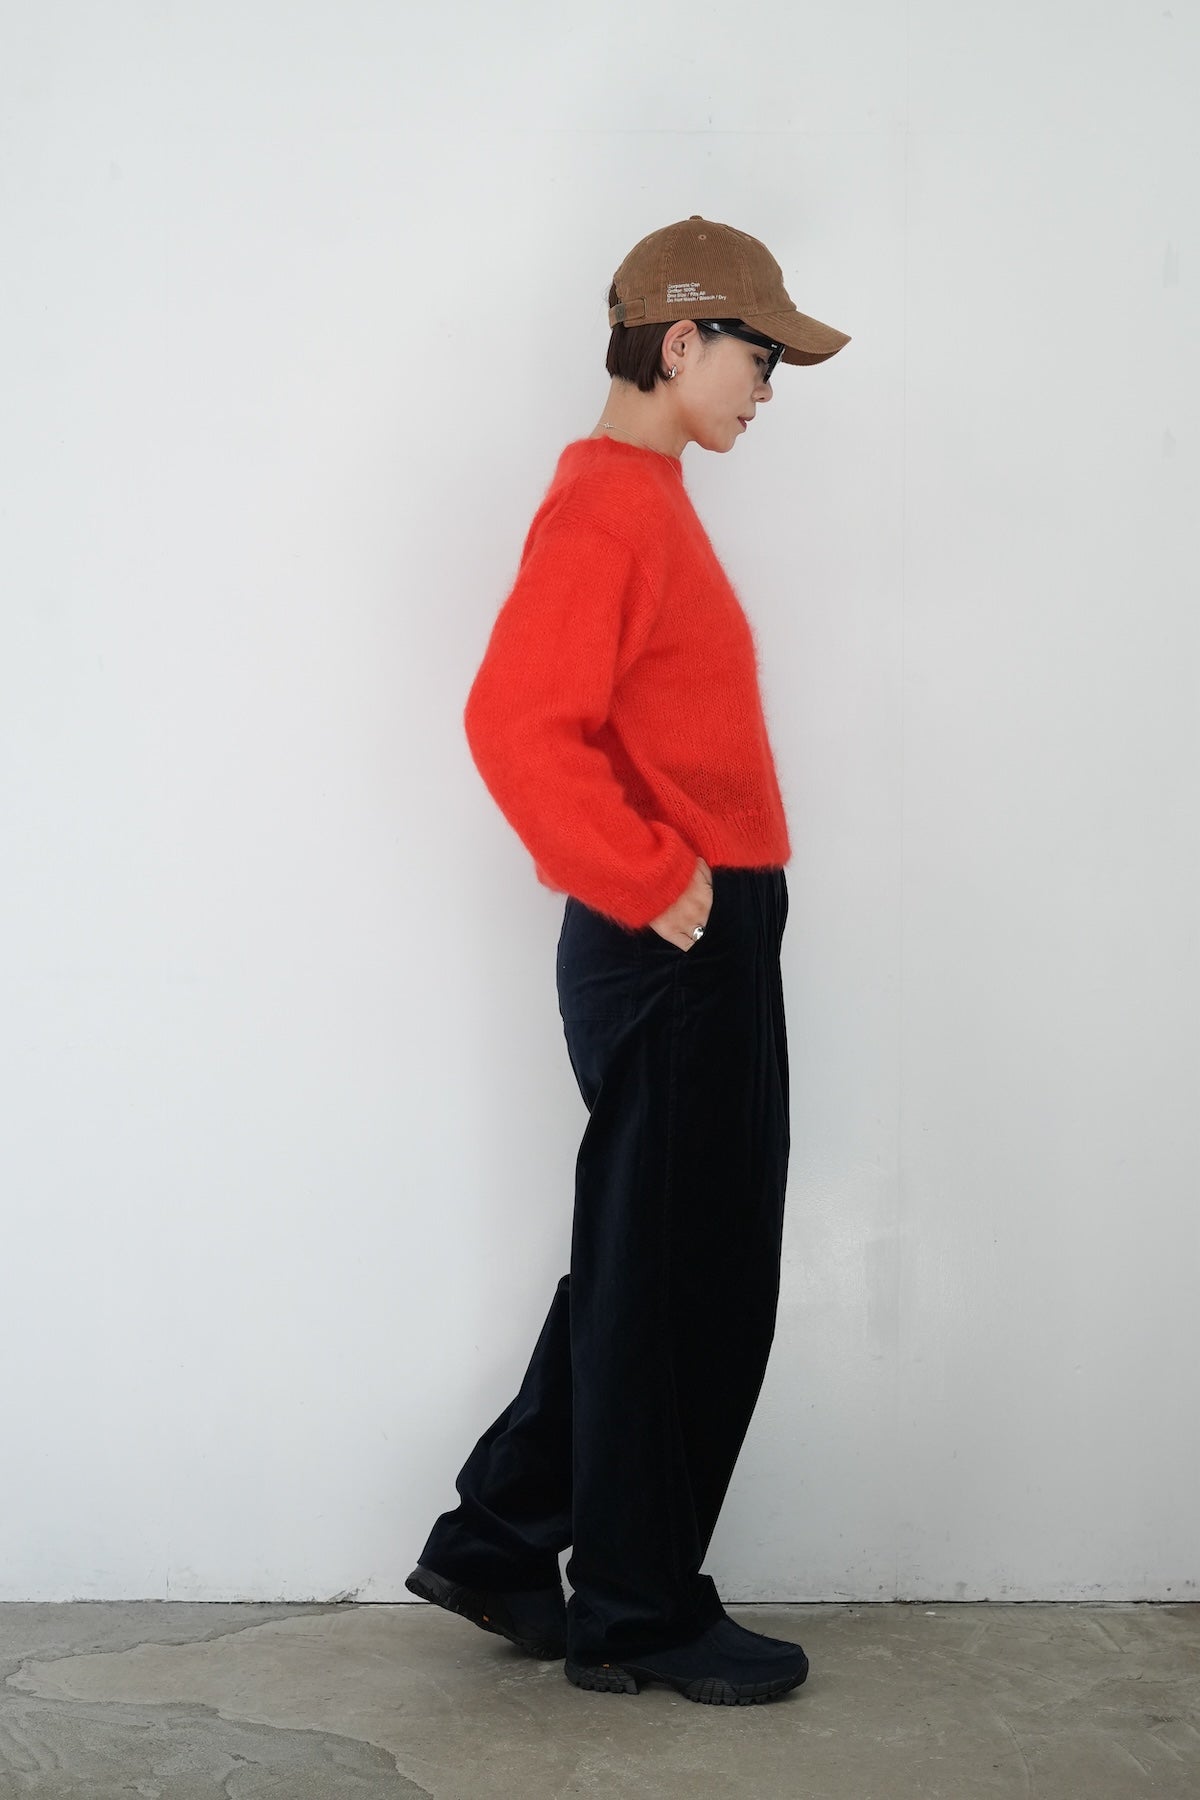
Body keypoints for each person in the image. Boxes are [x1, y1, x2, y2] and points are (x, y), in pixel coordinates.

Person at [406, 215, 850, 1705]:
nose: (768, 391)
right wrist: (656, 879)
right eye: (759, 359)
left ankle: (498, 1541)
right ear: (682, 340)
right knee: (686, 1280)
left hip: (693, 937)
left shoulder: (642, 497)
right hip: (673, 944)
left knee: (642, 1264)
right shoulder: (609, 506)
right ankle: (639, 1613)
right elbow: (514, 725)